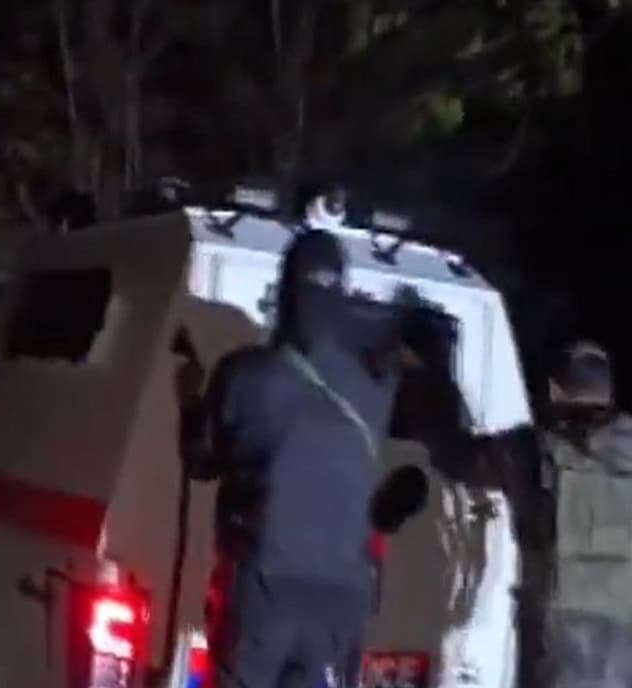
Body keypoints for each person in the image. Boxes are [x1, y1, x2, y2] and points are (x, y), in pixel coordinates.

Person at [182, 230, 423, 688]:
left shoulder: (245, 375)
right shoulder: (378, 385)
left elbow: (202, 461)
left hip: (263, 591)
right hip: (342, 603)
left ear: (285, 293)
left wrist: (190, 403)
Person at [418, 341, 632, 688]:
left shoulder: (532, 452)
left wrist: (432, 367)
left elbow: (453, 456)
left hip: (558, 642)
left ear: (555, 391)